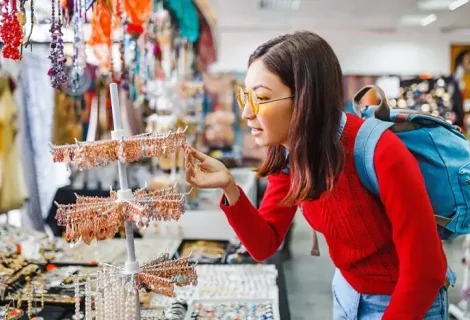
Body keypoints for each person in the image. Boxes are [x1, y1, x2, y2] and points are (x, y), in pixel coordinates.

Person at [184, 31, 452, 319]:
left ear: (304, 100)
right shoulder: (291, 153)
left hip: (407, 303)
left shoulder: (380, 152)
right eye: (245, 96)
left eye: (260, 97)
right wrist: (229, 186)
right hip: (346, 294)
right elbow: (265, 244)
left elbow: (425, 270)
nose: (247, 113)